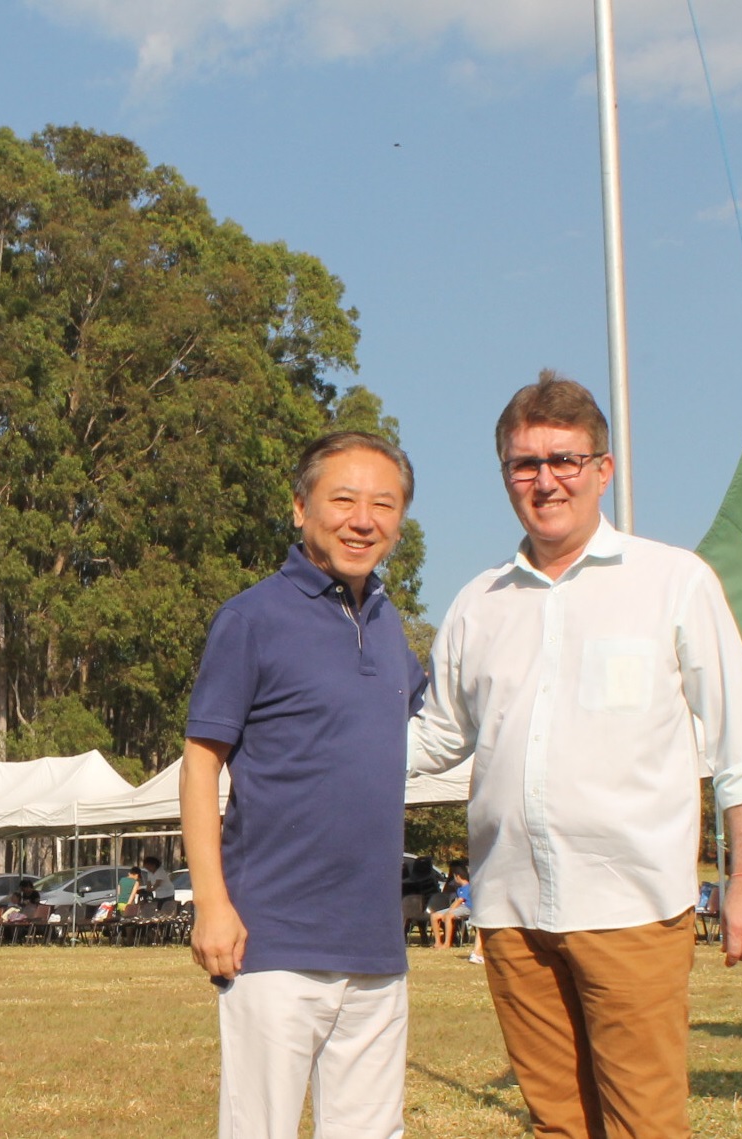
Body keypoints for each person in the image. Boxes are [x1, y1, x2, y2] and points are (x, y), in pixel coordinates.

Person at [411, 372, 742, 1139]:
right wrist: (309, 749)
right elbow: (438, 736)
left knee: (644, 1124)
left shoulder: (673, 581)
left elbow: (740, 740)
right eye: (524, 463)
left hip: (630, 904)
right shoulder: (477, 604)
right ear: (504, 474)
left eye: (564, 459)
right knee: (557, 1125)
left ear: (602, 469)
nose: (544, 480)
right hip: (509, 911)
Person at [181, 430, 426, 1139]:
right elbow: (201, 765)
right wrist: (212, 904)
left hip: (376, 946)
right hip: (273, 941)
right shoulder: (250, 618)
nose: (362, 519)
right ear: (299, 507)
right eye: (342, 499)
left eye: (383, 503)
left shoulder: (387, 625)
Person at [430, 867, 472, 951]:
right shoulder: (460, 888)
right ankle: (437, 942)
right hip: (459, 907)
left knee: (449, 916)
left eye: (454, 877)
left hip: (468, 908)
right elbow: (456, 901)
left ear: (458, 877)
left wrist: (448, 912)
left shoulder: (468, 887)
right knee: (434, 916)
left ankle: (447, 943)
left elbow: (459, 901)